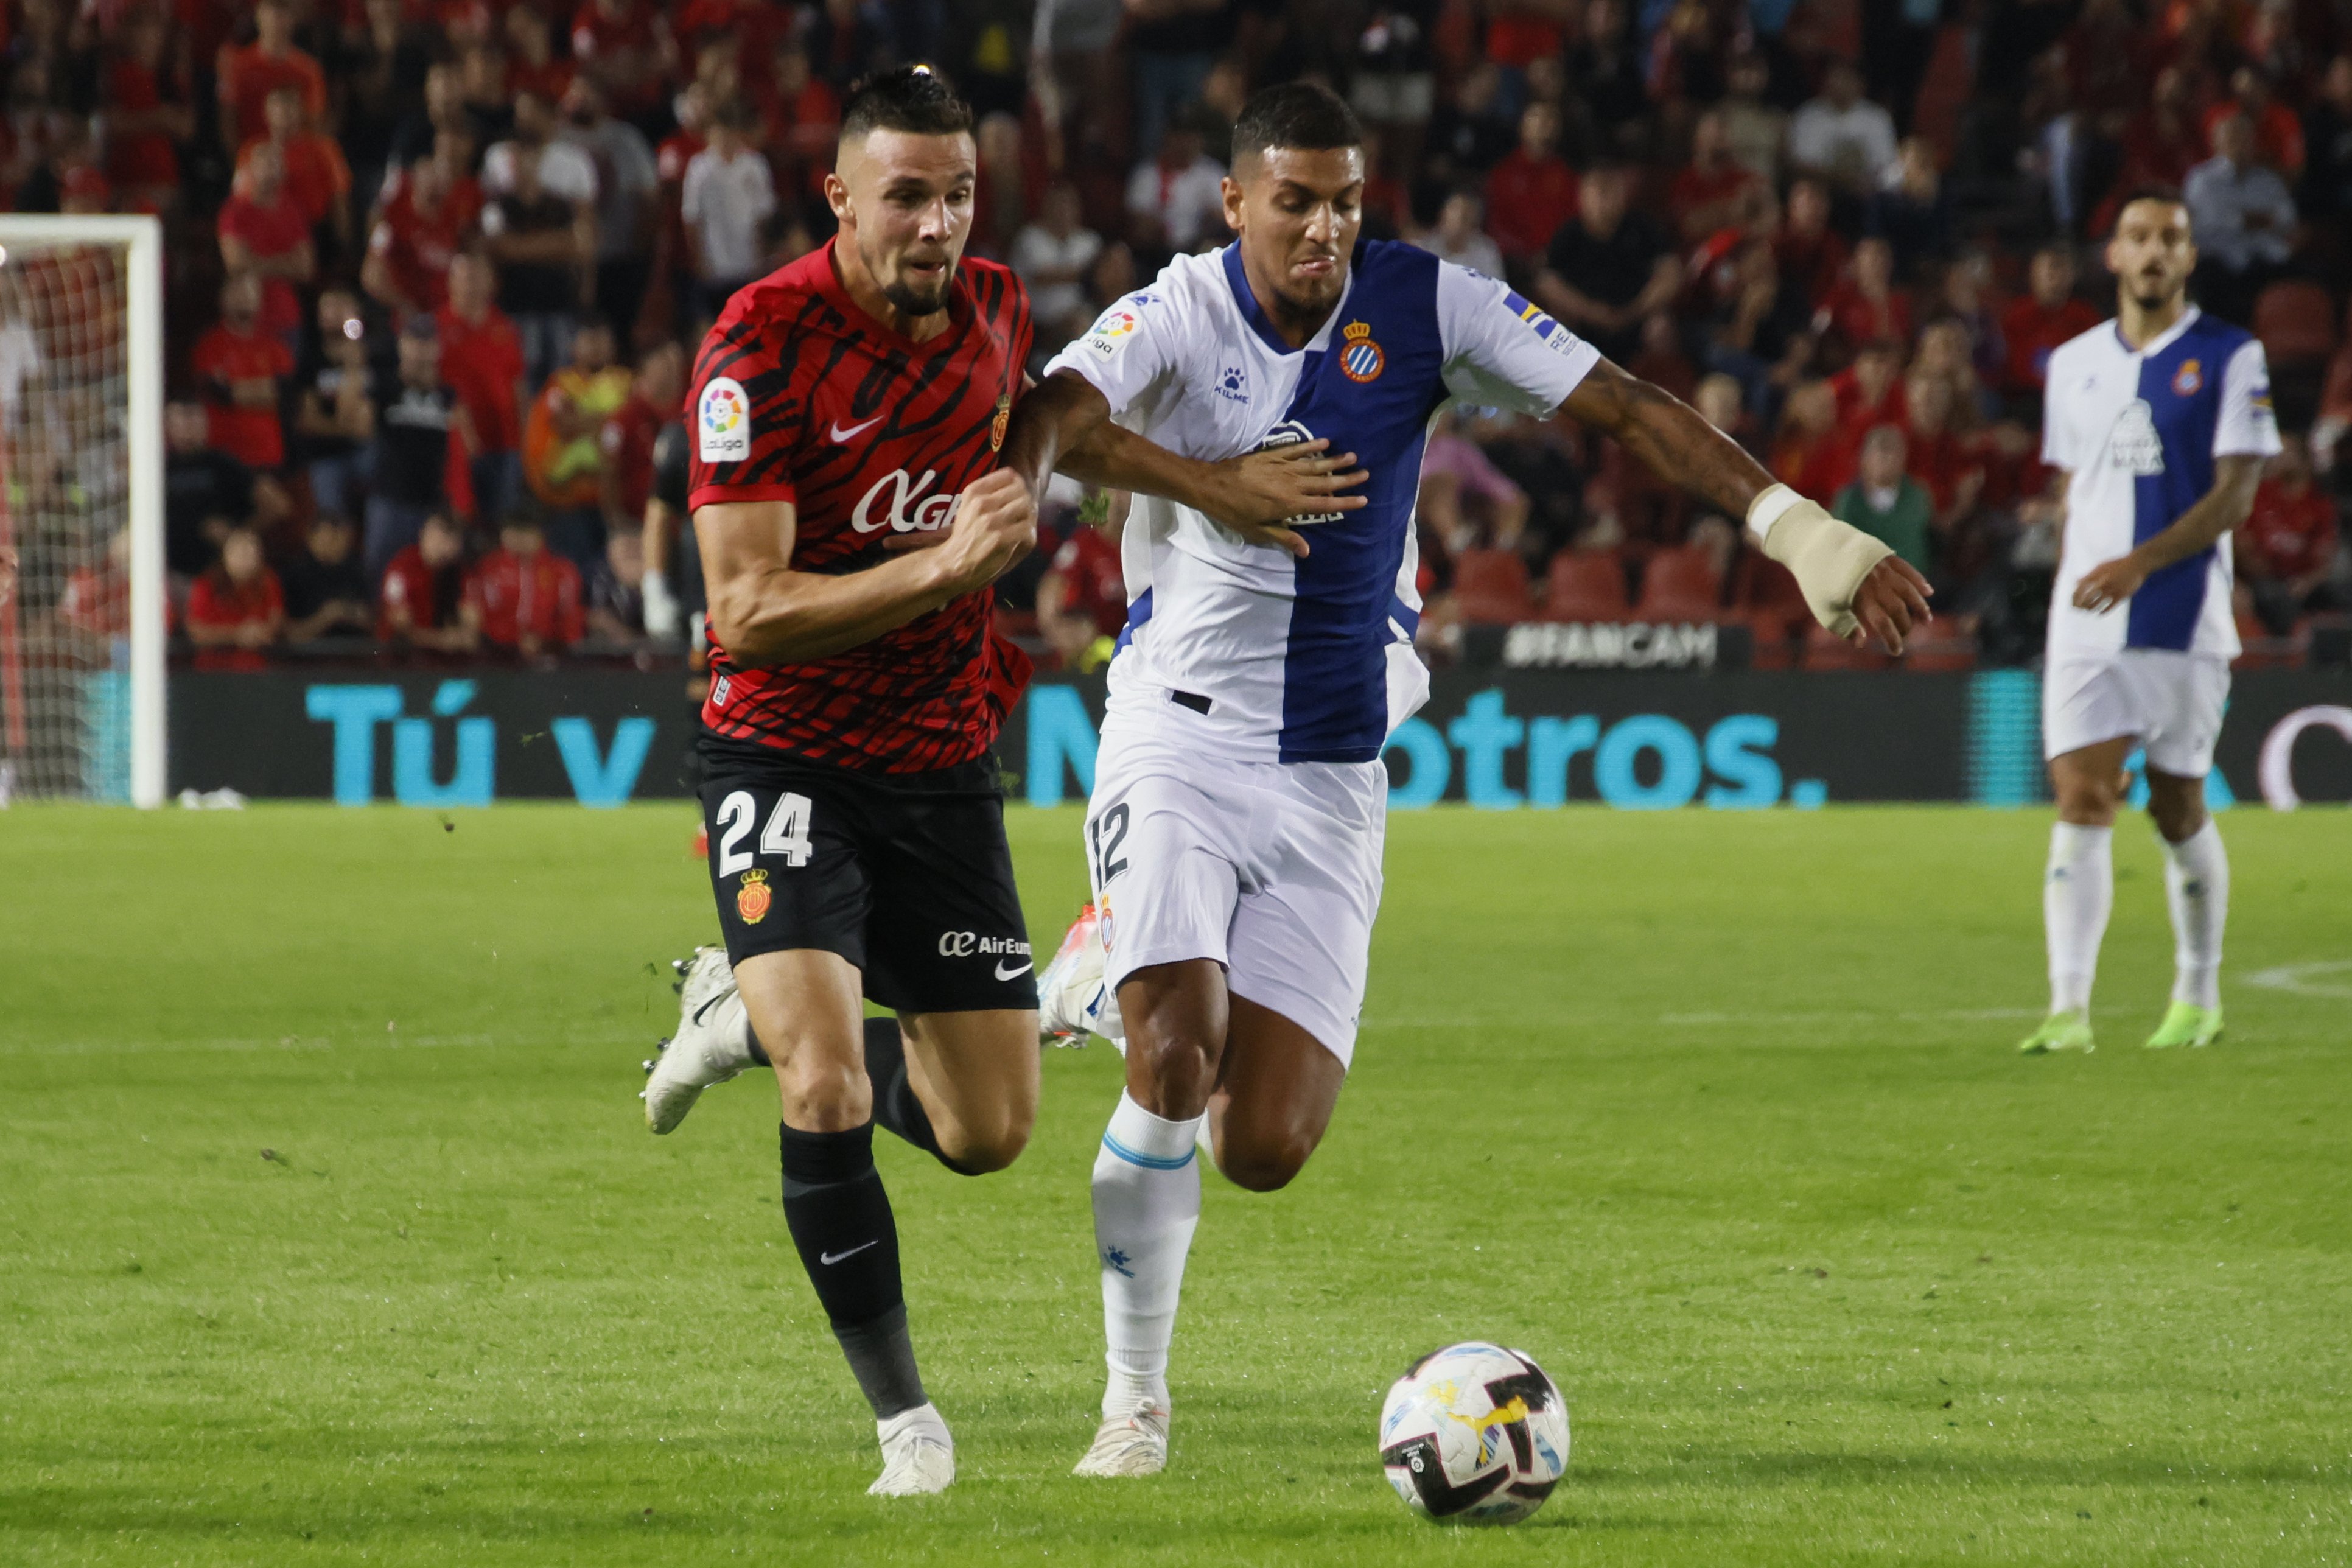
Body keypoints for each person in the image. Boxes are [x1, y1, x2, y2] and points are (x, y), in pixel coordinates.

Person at [997, 82, 1930, 1482]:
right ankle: (1135, 1401)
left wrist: (1794, 528)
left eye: (1346, 199)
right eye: (1295, 199)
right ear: (1235, 202)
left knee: (1265, 1148)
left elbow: (1622, 405)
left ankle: (1092, 964)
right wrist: (1206, 482)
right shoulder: (1180, 313)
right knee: (1175, 1058)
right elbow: (1046, 418)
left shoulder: (1426, 306)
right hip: (1178, 732)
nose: (1324, 226)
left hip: (1332, 765)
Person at [635, 65, 1348, 1499]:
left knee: (991, 1130)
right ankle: (909, 1426)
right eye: (906, 195)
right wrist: (944, 566)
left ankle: (740, 1012)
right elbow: (746, 612)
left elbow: (1062, 427)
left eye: (958, 194)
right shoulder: (757, 350)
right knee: (833, 1085)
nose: (937, 223)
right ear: (838, 196)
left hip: (943, 764)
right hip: (785, 753)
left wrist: (1209, 490)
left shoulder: (1000, 312)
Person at [2020, 189, 2280, 1059]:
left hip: (2183, 616)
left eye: (2172, 237)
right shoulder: (2071, 364)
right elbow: (2074, 492)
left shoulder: (2233, 355)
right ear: (2115, 257)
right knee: (2080, 797)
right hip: (2087, 621)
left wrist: (2140, 564)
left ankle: (2197, 998)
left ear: (2190, 257)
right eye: (2139, 236)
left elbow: (2237, 493)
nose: (2156, 251)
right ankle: (2068, 1011)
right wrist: (2073, 579)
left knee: (2177, 807)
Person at [366, 318, 476, 583]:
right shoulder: (385, 388)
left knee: (430, 578)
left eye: (427, 343)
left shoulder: (448, 395)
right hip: (391, 497)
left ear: (437, 349)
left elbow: (470, 446)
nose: (420, 350)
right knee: (379, 572)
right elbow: (358, 425)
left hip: (433, 502)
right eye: (414, 342)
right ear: (402, 345)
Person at [2183, 112, 2297, 324]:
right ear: (2216, 143)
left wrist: (2242, 220)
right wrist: (2251, 220)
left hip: (2263, 263)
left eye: (2246, 138)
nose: (2240, 145)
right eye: (2233, 138)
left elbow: (2287, 218)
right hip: (2218, 265)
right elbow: (2207, 224)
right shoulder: (2202, 180)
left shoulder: (2267, 180)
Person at [678, 99, 778, 327]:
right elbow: (692, 218)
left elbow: (764, 216)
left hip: (748, 263)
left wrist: (761, 257)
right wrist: (700, 261)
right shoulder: (699, 169)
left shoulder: (755, 166)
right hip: (716, 265)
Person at [191, 275, 295, 473]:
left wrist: (235, 389)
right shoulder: (210, 345)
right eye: (237, 290)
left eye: (250, 291)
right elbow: (218, 393)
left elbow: (285, 393)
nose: (244, 297)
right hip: (224, 456)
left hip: (269, 455)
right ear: (223, 298)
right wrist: (263, 390)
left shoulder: (275, 346)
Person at [294, 289, 377, 521]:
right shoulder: (311, 360)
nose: (336, 314)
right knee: (330, 512)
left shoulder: (375, 357)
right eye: (328, 307)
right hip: (326, 453)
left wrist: (354, 367)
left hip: (368, 451)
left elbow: (369, 418)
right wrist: (348, 428)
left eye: (342, 306)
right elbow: (308, 421)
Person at [471, 509, 585, 656]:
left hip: (550, 652)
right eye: (512, 532)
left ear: (540, 535)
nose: (518, 539)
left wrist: (551, 644)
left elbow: (570, 617)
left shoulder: (562, 571)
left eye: (524, 532)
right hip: (494, 652)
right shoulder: (488, 567)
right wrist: (517, 637)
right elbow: (477, 612)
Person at [1832, 425, 1933, 575]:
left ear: (1903, 458)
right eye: (1880, 451)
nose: (1885, 458)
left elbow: (1915, 552)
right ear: (1865, 458)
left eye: (1891, 452)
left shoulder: (1916, 498)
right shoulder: (1849, 501)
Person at [379, 508, 481, 654]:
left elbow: (472, 621)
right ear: (423, 534)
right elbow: (400, 625)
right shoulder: (401, 569)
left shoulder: (462, 571)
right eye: (436, 537)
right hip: (400, 656)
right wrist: (441, 640)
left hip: (449, 658)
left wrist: (462, 636)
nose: (442, 546)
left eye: (450, 539)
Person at [185, 527, 285, 671]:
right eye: (239, 551)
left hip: (257, 670)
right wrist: (236, 634)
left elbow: (275, 623)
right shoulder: (207, 585)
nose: (246, 556)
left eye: (251, 551)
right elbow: (196, 632)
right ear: (226, 554)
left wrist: (259, 634)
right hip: (213, 670)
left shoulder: (269, 582)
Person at [280, 513, 376, 641]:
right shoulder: (293, 575)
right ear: (311, 537)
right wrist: (326, 617)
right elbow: (288, 634)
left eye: (340, 537)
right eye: (329, 537)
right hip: (307, 655)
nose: (335, 544)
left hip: (353, 652)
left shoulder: (355, 570)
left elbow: (371, 620)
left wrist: (348, 613)